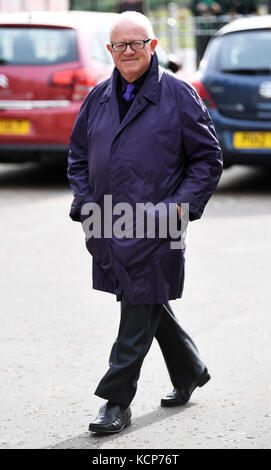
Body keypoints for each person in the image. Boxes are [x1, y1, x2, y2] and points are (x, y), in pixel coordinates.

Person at [67, 11, 223, 435]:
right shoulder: (98, 97)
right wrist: (84, 203)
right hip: (107, 223)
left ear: (153, 46)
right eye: (121, 45)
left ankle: (116, 401)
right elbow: (78, 155)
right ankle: (189, 368)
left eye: (138, 43)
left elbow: (207, 158)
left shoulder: (178, 95)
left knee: (136, 313)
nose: (129, 51)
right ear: (110, 51)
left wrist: (180, 209)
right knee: (146, 298)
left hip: (158, 224)